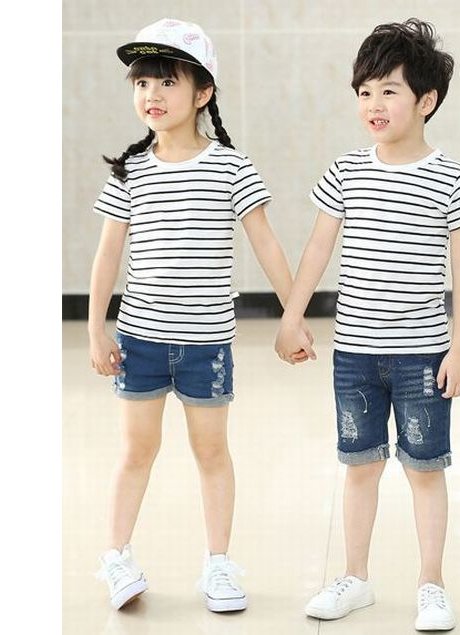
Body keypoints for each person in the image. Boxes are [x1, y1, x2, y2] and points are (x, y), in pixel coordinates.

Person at [275, 18, 460, 631]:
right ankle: (356, 578)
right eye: (365, 91)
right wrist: (291, 318)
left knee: (425, 470)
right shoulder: (346, 170)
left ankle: (432, 584)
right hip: (355, 355)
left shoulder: (453, 179)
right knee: (360, 465)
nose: (373, 103)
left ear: (427, 101)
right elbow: (318, 250)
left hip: (424, 355)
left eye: (389, 90)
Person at [89, 17, 309, 612]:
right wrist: (95, 329)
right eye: (142, 83)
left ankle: (218, 564)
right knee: (136, 452)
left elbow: (266, 243)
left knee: (212, 453)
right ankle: (117, 557)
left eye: (167, 82)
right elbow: (107, 255)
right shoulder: (130, 171)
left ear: (203, 92)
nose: (152, 95)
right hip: (139, 341)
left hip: (206, 344)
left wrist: (292, 314)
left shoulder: (231, 167)